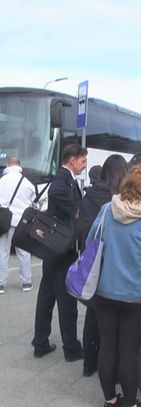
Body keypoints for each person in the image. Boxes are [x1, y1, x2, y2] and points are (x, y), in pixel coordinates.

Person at [89, 164, 141, 407]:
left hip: (105, 291)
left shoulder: (106, 210)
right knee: (129, 351)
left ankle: (110, 400)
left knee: (108, 346)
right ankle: (132, 403)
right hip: (136, 295)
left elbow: (91, 242)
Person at [32, 144, 87, 361]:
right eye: (82, 161)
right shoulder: (63, 179)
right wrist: (76, 210)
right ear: (72, 160)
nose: (84, 165)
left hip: (52, 248)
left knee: (46, 295)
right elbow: (57, 194)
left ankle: (40, 342)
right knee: (66, 299)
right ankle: (71, 348)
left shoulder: (65, 178)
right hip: (61, 249)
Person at [76, 155, 129, 378]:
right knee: (114, 322)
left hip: (93, 262)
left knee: (92, 312)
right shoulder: (119, 199)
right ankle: (113, 369)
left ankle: (89, 362)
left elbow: (83, 230)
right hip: (115, 265)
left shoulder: (90, 194)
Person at [0, 156, 36, 294]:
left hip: (4, 221)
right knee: (24, 253)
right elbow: (34, 200)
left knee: (3, 253)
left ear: (7, 165)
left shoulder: (1, 181)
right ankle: (26, 283)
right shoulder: (27, 182)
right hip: (21, 222)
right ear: (19, 165)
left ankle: (1, 284)